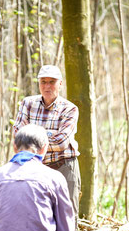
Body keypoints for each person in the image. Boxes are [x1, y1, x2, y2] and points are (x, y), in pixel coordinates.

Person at [12, 65, 81, 219]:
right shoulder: (28, 104)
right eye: (43, 82)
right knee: (36, 214)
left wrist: (31, 137)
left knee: (67, 215)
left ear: (60, 84)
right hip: (34, 167)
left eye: (52, 82)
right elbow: (18, 136)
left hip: (63, 166)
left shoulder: (70, 109)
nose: (47, 86)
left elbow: (61, 143)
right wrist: (48, 135)